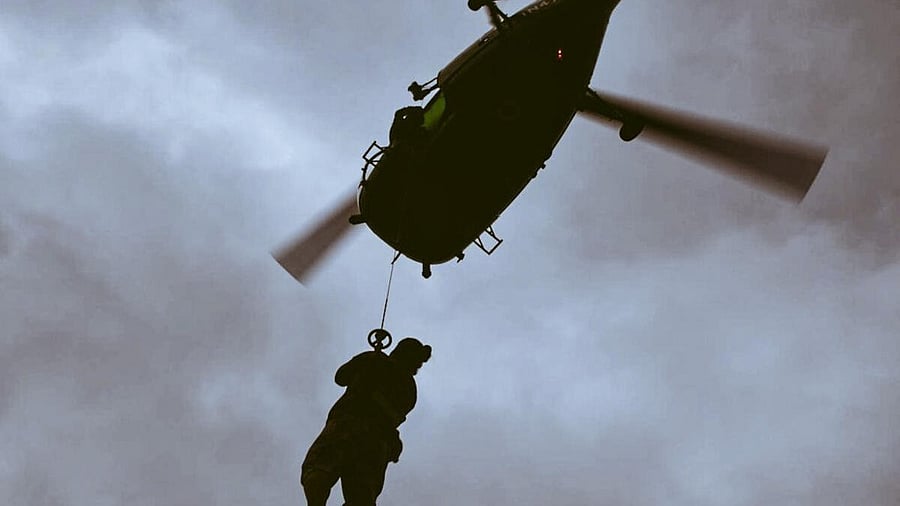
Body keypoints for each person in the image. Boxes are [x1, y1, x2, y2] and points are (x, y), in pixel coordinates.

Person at [300, 337, 432, 506]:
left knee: (319, 470)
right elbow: (397, 416)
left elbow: (341, 377)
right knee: (362, 496)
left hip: (346, 424)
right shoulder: (410, 389)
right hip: (376, 441)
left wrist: (369, 360)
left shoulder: (374, 359)